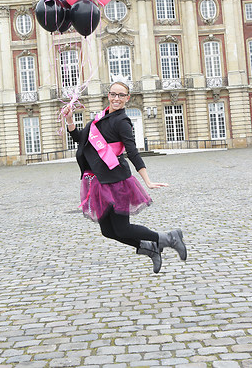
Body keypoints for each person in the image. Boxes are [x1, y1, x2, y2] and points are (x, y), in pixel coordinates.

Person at [63, 81, 187, 273]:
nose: (116, 98)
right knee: (108, 231)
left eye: (121, 95)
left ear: (127, 98)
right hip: (98, 181)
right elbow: (80, 139)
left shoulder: (122, 122)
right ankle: (151, 248)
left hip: (116, 181)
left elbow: (132, 152)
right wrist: (70, 121)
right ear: (108, 95)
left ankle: (169, 238)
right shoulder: (99, 118)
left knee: (121, 228)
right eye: (113, 94)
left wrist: (147, 180)